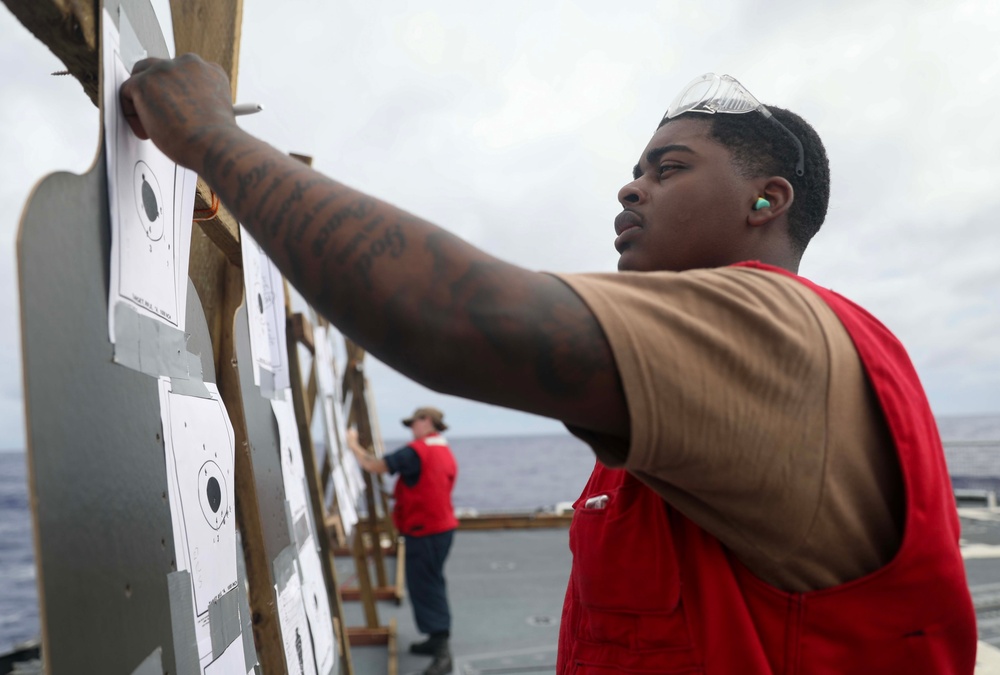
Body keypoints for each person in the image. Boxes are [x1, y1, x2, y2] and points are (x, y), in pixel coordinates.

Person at [121, 60, 977, 673]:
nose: (629, 189)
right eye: (633, 171)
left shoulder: (775, 328)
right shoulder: (707, 371)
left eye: (668, 169)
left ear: (768, 200)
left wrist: (210, 139)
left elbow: (451, 319)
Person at [346, 408, 458, 675]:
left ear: (427, 422)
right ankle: (435, 639)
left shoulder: (416, 451)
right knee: (429, 582)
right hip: (441, 529)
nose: (411, 429)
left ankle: (443, 653)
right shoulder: (443, 449)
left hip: (426, 531)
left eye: (414, 423)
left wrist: (352, 444)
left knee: (427, 586)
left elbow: (374, 466)